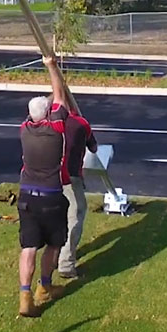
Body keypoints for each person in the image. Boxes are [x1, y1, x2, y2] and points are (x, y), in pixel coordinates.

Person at [17, 55, 70, 318]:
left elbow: (51, 102)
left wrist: (47, 100)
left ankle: (25, 295)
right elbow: (60, 96)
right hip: (51, 196)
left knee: (28, 247)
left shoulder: (25, 129)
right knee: (53, 244)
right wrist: (51, 66)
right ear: (48, 115)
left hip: (27, 195)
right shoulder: (56, 129)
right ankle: (44, 287)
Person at [58, 105, 97, 279]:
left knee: (58, 218)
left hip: (48, 177)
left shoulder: (50, 122)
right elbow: (94, 147)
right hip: (71, 177)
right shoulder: (81, 123)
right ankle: (65, 263)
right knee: (76, 215)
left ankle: (57, 253)